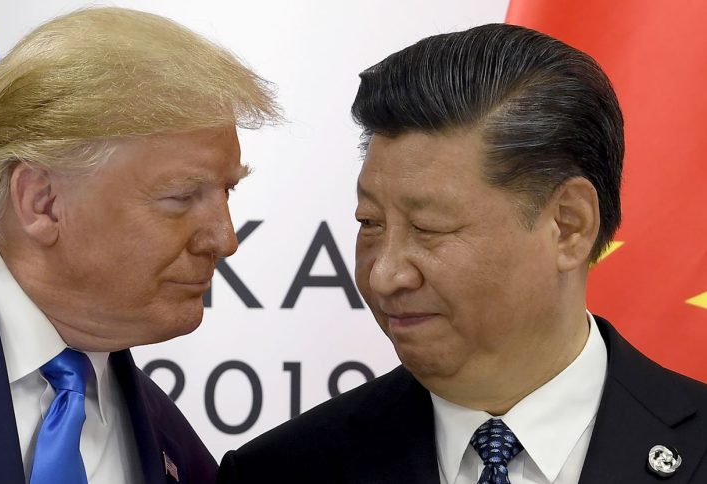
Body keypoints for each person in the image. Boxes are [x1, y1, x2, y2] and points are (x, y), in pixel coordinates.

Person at [217, 23, 707, 484]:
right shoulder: (282, 471)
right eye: (370, 223)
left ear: (568, 226)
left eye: (429, 228)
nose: (385, 276)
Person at [0, 7, 278, 484]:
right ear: (42, 202)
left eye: (227, 192)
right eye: (181, 197)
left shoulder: (177, 449)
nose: (225, 238)